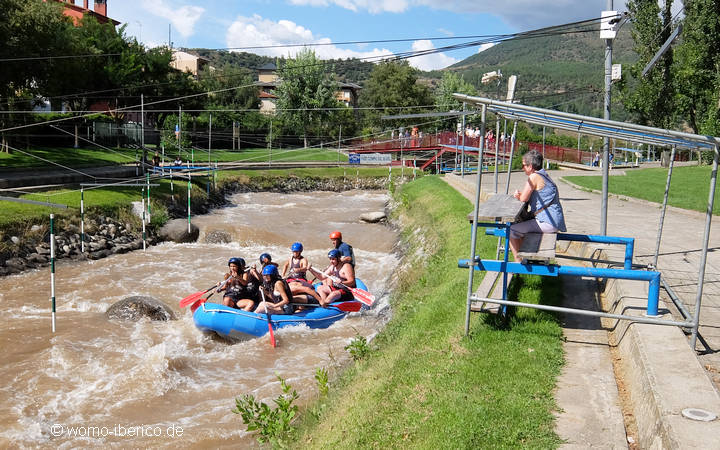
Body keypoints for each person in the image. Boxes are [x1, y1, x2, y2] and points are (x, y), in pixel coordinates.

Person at [509, 150, 566, 262]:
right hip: (553, 220)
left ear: (530, 166)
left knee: (512, 230)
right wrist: (521, 195)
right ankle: (524, 258)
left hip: (548, 222)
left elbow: (523, 199)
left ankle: (518, 262)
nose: (522, 168)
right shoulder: (544, 174)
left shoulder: (534, 177)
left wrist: (517, 195)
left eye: (523, 165)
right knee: (520, 227)